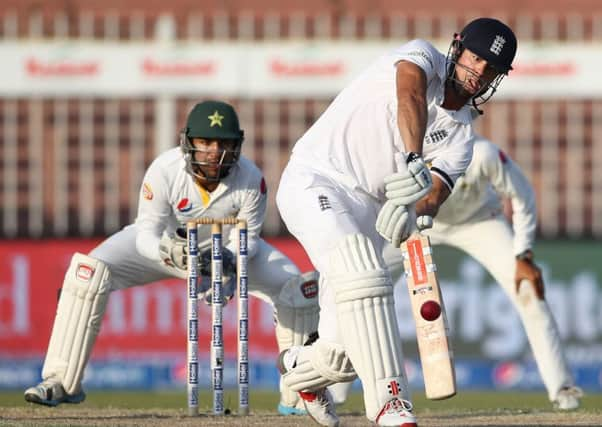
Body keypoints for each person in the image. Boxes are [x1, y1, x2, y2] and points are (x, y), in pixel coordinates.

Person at [275, 17, 517, 427]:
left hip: (366, 211)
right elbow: (411, 97)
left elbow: (432, 197)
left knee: (342, 348)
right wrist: (413, 159)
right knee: (367, 273)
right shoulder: (420, 55)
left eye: (490, 68)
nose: (478, 71)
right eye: (475, 58)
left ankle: (299, 369)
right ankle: (391, 402)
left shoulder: (462, 139)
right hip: (317, 179)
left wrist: (409, 210)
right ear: (458, 48)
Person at [24, 100, 320, 414]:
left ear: (237, 145)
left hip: (224, 255)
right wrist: (171, 252)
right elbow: (145, 235)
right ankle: (60, 381)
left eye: (223, 143)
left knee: (297, 289)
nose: (213, 152)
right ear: (188, 142)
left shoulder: (250, 179)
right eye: (205, 142)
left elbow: (247, 237)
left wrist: (230, 260)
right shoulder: (164, 170)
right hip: (166, 249)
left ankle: (300, 394)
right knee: (87, 271)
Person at [328, 135, 584, 411]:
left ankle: (562, 388)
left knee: (529, 290)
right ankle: (333, 390)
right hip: (416, 222)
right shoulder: (400, 155)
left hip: (479, 222)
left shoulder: (482, 153)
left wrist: (524, 254)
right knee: (366, 288)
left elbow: (523, 195)